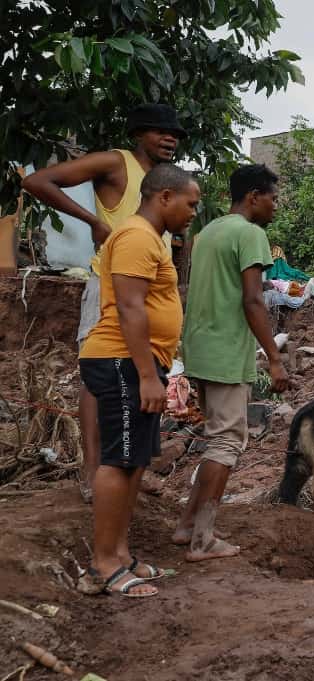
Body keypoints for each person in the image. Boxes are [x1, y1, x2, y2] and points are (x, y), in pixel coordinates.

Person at [21, 103, 186, 502]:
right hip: (113, 285)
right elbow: (40, 181)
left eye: (175, 135)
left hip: (147, 287)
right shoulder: (116, 163)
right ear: (137, 133)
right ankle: (92, 472)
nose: (169, 139)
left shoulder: (162, 181)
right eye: (159, 131)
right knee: (101, 379)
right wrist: (94, 222)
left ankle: (130, 467)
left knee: (141, 377)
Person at [76, 164, 199, 597]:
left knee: (133, 462)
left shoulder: (152, 239)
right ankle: (103, 564)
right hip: (120, 361)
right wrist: (148, 376)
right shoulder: (135, 237)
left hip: (139, 363)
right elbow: (130, 308)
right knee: (119, 459)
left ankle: (120, 554)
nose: (193, 212)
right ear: (164, 196)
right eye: (191, 203)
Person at [171, 164, 288, 562]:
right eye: (273, 198)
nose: (276, 207)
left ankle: (187, 524)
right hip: (225, 352)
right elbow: (253, 299)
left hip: (199, 348)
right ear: (254, 196)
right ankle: (203, 539)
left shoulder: (208, 232)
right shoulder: (251, 233)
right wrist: (274, 358)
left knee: (215, 438)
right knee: (227, 442)